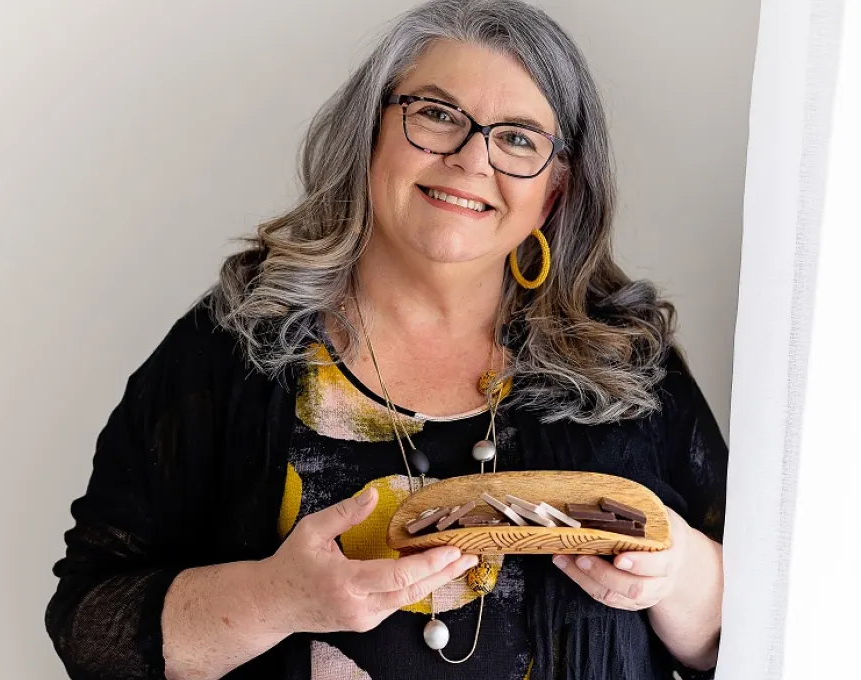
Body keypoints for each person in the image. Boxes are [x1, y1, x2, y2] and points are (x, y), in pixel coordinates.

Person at [44, 1, 727, 678]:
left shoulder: (628, 369)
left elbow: (764, 636)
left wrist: (680, 574)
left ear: (554, 193)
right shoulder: (236, 347)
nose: (470, 158)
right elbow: (88, 623)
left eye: (518, 138)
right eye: (436, 114)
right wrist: (277, 599)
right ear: (370, 134)